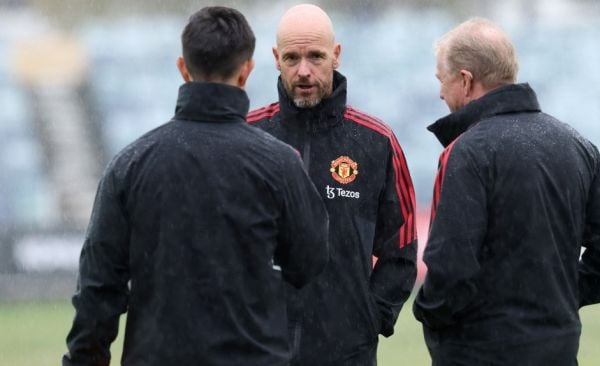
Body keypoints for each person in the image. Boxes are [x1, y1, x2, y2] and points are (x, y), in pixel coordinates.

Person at [62, 6, 329, 366]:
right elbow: (308, 262)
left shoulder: (130, 164)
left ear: (183, 68)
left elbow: (98, 288)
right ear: (247, 70)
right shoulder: (280, 164)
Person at [413, 17, 600, 365]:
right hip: (558, 351)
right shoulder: (577, 145)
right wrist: (558, 299)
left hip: (479, 353)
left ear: (466, 81)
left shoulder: (467, 151)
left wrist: (427, 311)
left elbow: (450, 267)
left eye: (442, 80)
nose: (441, 92)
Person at [247, 4, 417, 365]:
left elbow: (400, 249)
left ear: (336, 56)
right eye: (292, 58)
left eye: (315, 56)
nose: (304, 70)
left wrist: (369, 317)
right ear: (276, 58)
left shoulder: (376, 142)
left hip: (346, 354)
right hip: (258, 350)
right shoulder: (248, 137)